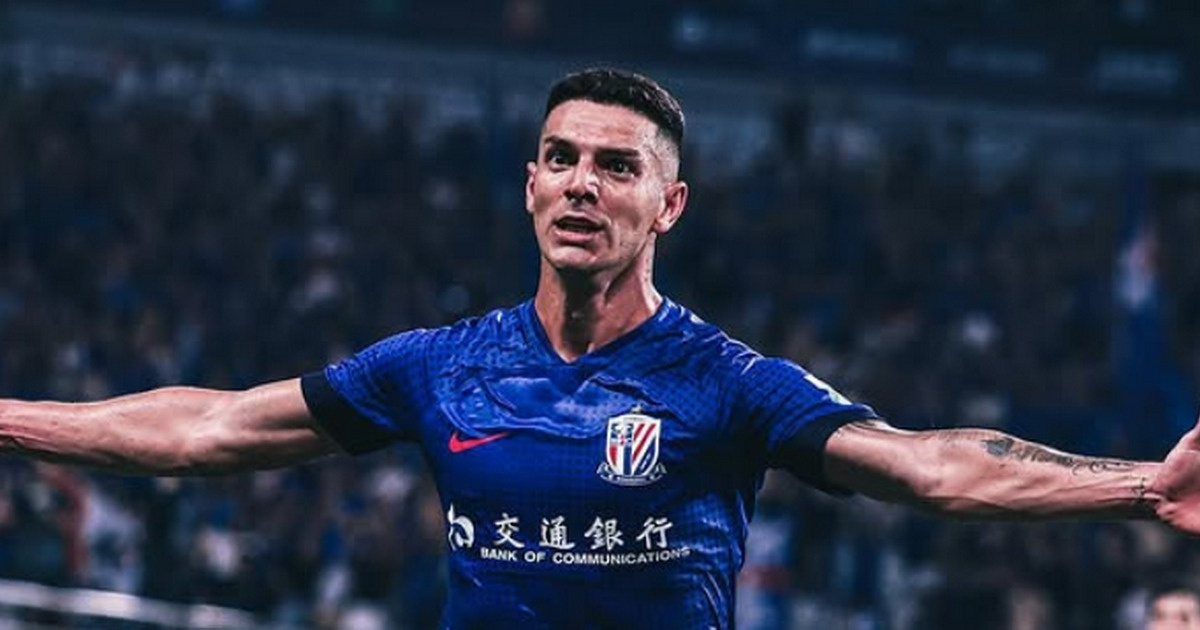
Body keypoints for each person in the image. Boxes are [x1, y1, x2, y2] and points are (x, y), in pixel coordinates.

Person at [2, 67, 1200, 629]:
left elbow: (933, 466)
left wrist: (1143, 485)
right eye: (561, 159)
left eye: (617, 166)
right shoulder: (436, 366)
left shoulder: (727, 384)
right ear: (528, 186)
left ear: (668, 206)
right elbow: (208, 428)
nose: (583, 183)